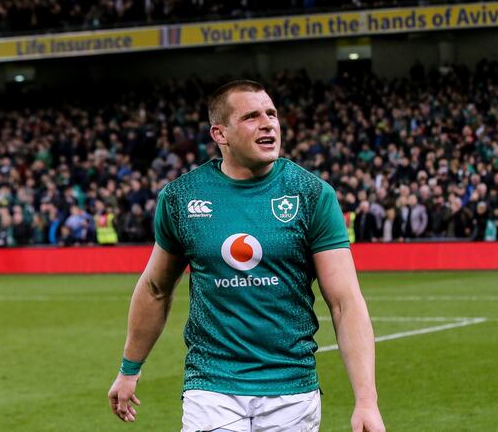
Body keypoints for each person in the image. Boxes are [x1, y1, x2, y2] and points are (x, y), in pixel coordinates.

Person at [107, 80, 385, 432]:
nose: (268, 123)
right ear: (220, 134)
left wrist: (366, 401)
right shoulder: (181, 197)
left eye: (271, 113)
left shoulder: (312, 194)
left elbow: (345, 302)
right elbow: (155, 289)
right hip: (211, 386)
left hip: (291, 390)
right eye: (251, 117)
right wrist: (129, 369)